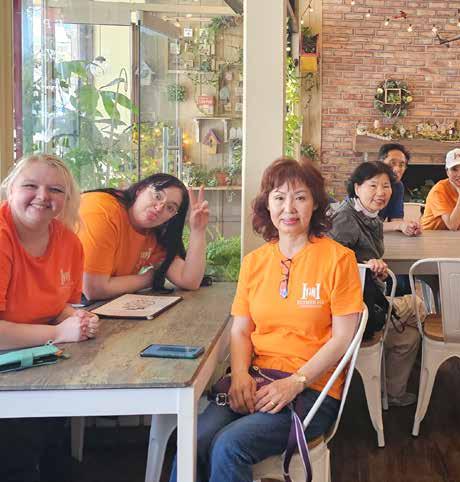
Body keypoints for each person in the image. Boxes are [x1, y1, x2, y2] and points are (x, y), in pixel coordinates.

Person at [169, 158, 363, 482]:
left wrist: (296, 382)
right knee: (193, 441)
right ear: (267, 205)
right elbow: (241, 329)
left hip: (312, 390)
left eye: (300, 197)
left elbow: (343, 338)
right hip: (256, 379)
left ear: (315, 204)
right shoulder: (254, 262)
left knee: (229, 446)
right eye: (279, 197)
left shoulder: (338, 259)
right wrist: (239, 375)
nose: (289, 208)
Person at [0, 154, 99, 482]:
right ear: (11, 189)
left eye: (55, 190)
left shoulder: (69, 241)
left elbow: (60, 305)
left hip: (40, 364)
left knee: (52, 446)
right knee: (20, 448)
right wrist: (58, 333)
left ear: (67, 200)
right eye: (31, 185)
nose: (43, 196)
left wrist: (78, 319)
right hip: (9, 375)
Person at [329, 160, 420, 407]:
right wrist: (365, 268)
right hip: (354, 312)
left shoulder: (368, 215)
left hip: (365, 300)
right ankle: (393, 389)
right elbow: (331, 264)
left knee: (409, 332)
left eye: (386, 186)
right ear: (356, 187)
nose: (381, 192)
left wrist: (371, 270)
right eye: (373, 185)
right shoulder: (345, 219)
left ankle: (388, 388)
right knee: (418, 308)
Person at [76, 173, 210, 301]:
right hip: (69, 307)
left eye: (170, 208)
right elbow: (94, 289)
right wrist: (150, 278)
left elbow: (189, 281)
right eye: (157, 196)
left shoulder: (152, 233)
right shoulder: (103, 211)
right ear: (140, 190)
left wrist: (198, 230)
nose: (159, 208)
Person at [420, 148, 460, 231]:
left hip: (455, 235)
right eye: (454, 169)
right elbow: (452, 226)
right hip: (431, 235)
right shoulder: (439, 190)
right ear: (447, 171)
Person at [377, 143, 421, 236]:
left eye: (401, 165)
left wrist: (408, 227)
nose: (397, 169)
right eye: (392, 163)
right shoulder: (367, 184)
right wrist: (398, 225)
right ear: (380, 163)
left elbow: (396, 220)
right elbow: (362, 225)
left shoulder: (397, 186)